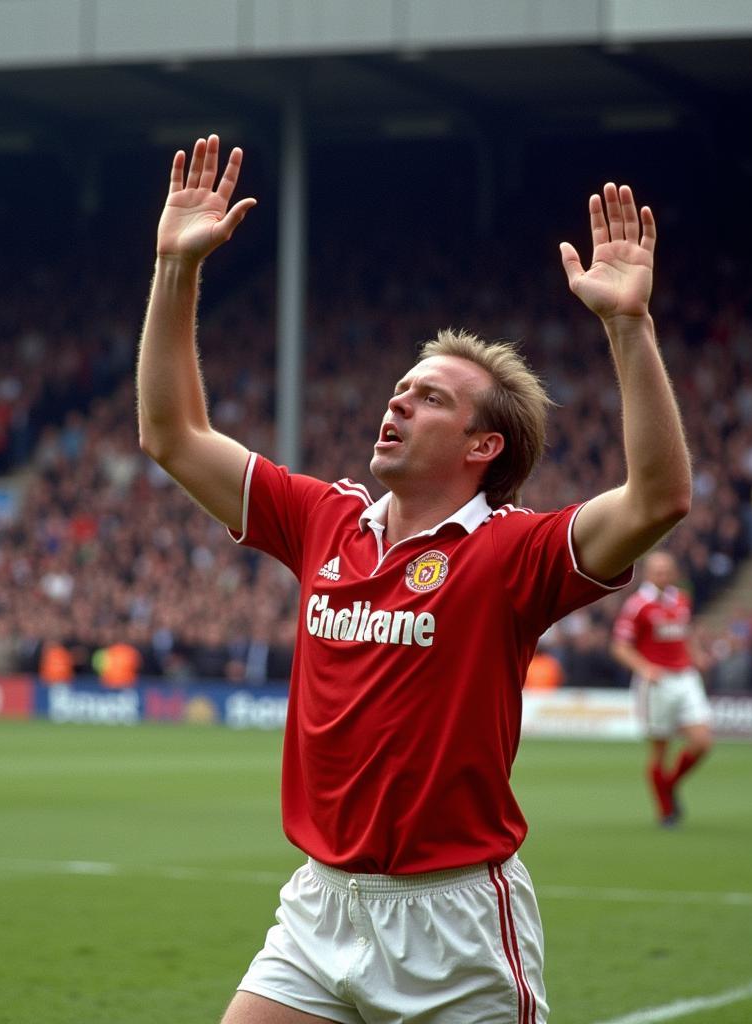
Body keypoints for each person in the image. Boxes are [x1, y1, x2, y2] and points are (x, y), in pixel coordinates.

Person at [137, 135, 691, 1024]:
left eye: (430, 397)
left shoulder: (514, 553)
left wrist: (628, 325)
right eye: (401, 387)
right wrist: (174, 267)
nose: (398, 401)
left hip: (455, 927)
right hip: (320, 909)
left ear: (485, 447)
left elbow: (660, 497)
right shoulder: (323, 519)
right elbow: (170, 432)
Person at [611, 551, 713, 827]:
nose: (662, 575)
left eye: (666, 570)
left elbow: (685, 632)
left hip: (686, 676)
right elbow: (620, 646)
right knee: (660, 748)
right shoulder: (637, 605)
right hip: (656, 681)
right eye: (657, 570)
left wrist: (697, 654)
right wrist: (644, 668)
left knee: (703, 741)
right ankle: (666, 810)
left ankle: (668, 784)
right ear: (647, 573)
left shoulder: (680, 599)